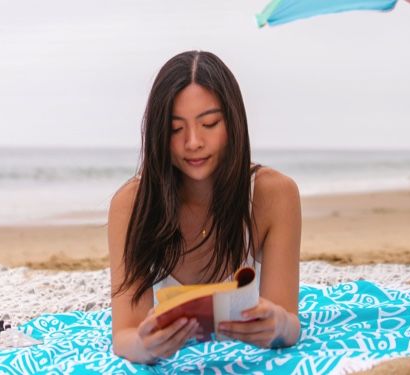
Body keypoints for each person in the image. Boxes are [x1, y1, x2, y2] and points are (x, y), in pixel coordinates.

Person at [107, 51, 302, 364]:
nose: (193, 142)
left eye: (209, 123)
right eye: (175, 129)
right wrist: (148, 348)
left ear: (233, 123)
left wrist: (278, 325)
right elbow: (125, 335)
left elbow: (289, 323)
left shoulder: (274, 194)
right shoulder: (131, 204)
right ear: (158, 134)